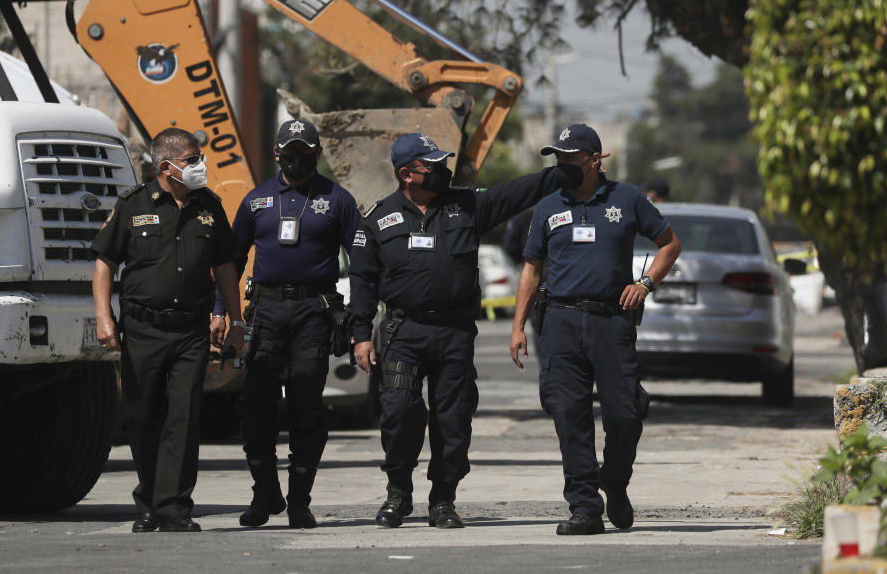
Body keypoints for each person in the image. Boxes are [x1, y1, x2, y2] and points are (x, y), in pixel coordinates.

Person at [348, 132, 572, 529]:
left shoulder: (467, 206)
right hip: (402, 332)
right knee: (399, 411)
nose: (442, 171)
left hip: (454, 331)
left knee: (453, 417)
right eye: (432, 166)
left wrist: (565, 170)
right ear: (406, 174)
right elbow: (363, 281)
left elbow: (519, 191)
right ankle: (398, 493)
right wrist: (362, 335)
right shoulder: (377, 220)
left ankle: (443, 500)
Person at [509, 123, 681, 536]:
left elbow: (669, 243)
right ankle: (584, 507)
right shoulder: (548, 207)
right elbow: (531, 268)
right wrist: (517, 326)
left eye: (571, 158)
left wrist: (645, 284)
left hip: (610, 321)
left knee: (625, 414)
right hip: (561, 323)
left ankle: (615, 482)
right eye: (559, 158)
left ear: (595, 159)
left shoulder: (628, 198)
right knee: (569, 414)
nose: (563, 164)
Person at [91, 127, 245, 533]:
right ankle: (148, 504)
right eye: (193, 159)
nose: (200, 166)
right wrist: (104, 317)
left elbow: (225, 267)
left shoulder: (209, 207)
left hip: (190, 333)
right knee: (143, 418)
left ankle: (175, 508)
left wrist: (235, 320)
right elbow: (105, 262)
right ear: (166, 166)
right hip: (142, 330)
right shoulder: (132, 205)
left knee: (185, 417)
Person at [210, 118, 359, 530]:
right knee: (256, 406)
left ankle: (299, 501)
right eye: (289, 151)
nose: (296, 158)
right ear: (276, 154)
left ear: (318, 153)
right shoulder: (256, 201)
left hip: (314, 311)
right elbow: (231, 261)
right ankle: (265, 494)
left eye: (304, 151)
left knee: (306, 407)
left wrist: (359, 320)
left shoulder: (337, 200)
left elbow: (362, 261)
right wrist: (221, 311)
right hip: (266, 312)